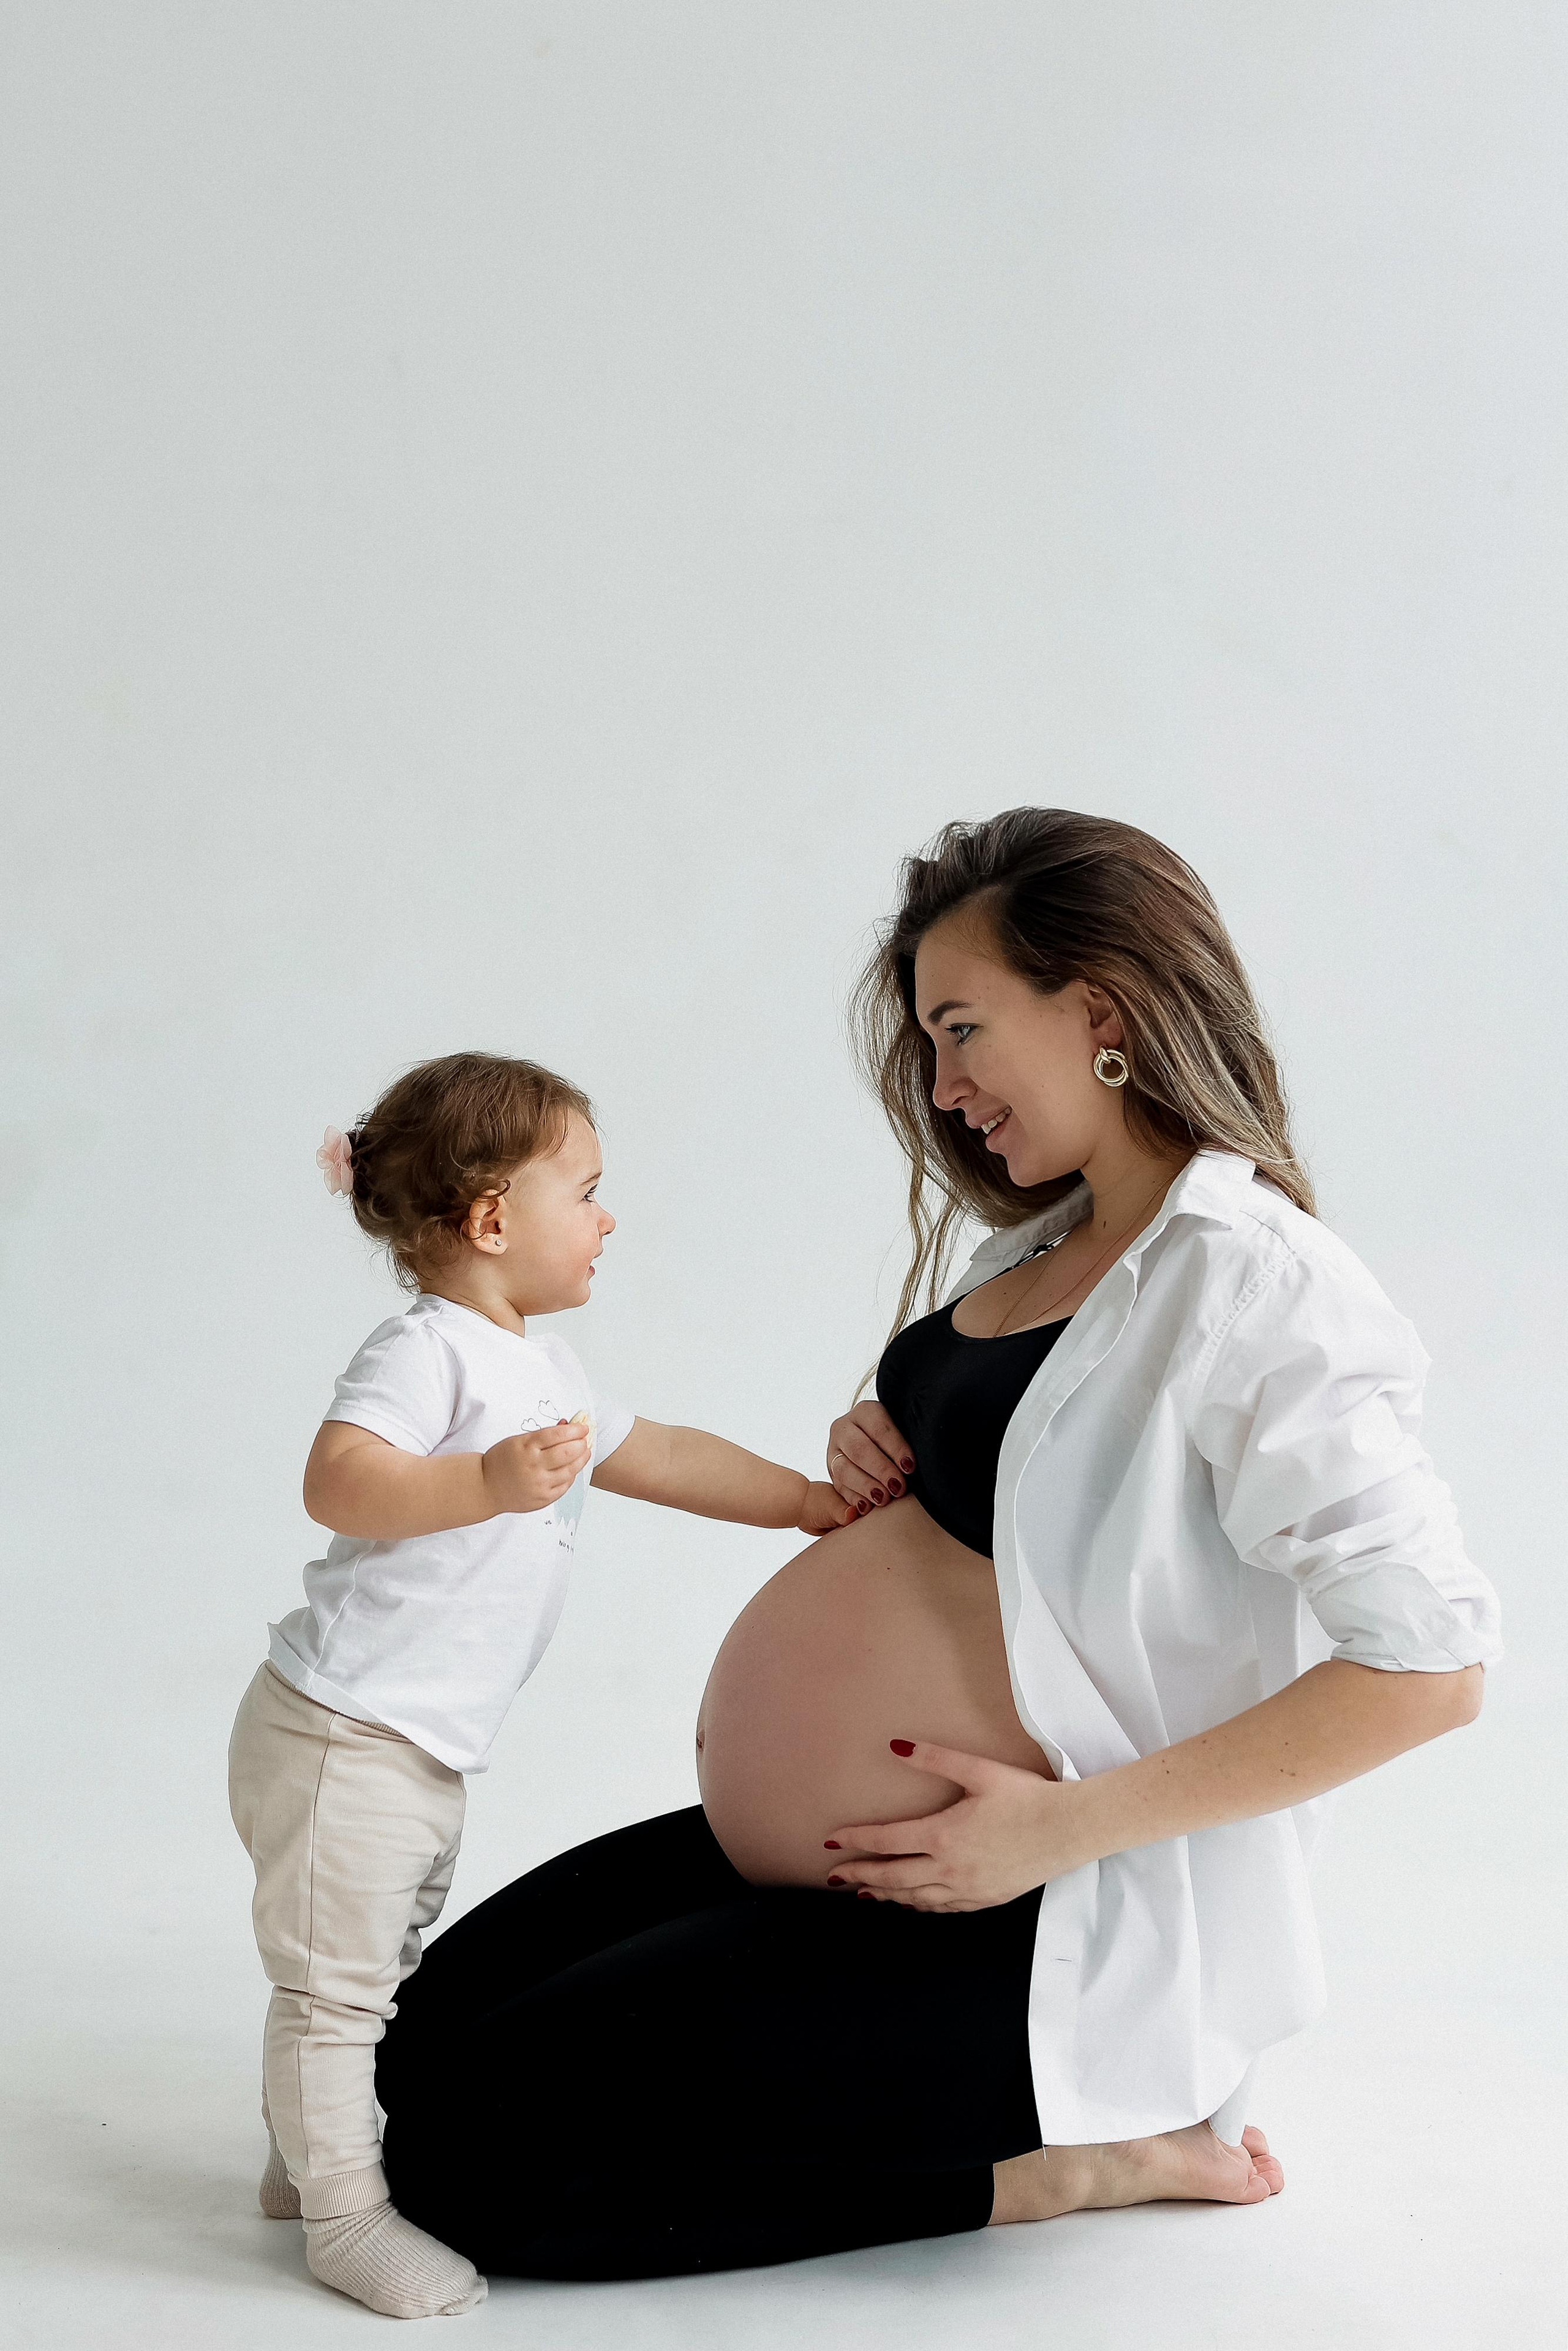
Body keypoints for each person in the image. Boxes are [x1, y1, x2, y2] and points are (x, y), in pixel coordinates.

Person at [372, 812, 1501, 2283]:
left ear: (1098, 1010)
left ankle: (1043, 2171)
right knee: (411, 2043)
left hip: (1025, 1918)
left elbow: (1429, 1665)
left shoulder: (1258, 1281)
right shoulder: (1044, 1243)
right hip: (859, 1866)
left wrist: (1058, 1828)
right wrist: (878, 1441)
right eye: (926, 1041)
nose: (942, 1085)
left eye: (961, 1029)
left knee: (470, 2159)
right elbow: (1018, 1493)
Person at [228, 1050, 848, 2319]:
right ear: (491, 1218)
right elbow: (338, 1476)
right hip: (346, 1727)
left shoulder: (544, 1371)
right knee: (337, 1987)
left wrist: (798, 1502)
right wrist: (484, 1484)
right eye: (587, 1189)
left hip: (415, 1741)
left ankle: (306, 2154)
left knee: (366, 1966)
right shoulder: (431, 1350)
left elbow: (660, 1450)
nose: (607, 1216)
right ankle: (344, 2211)